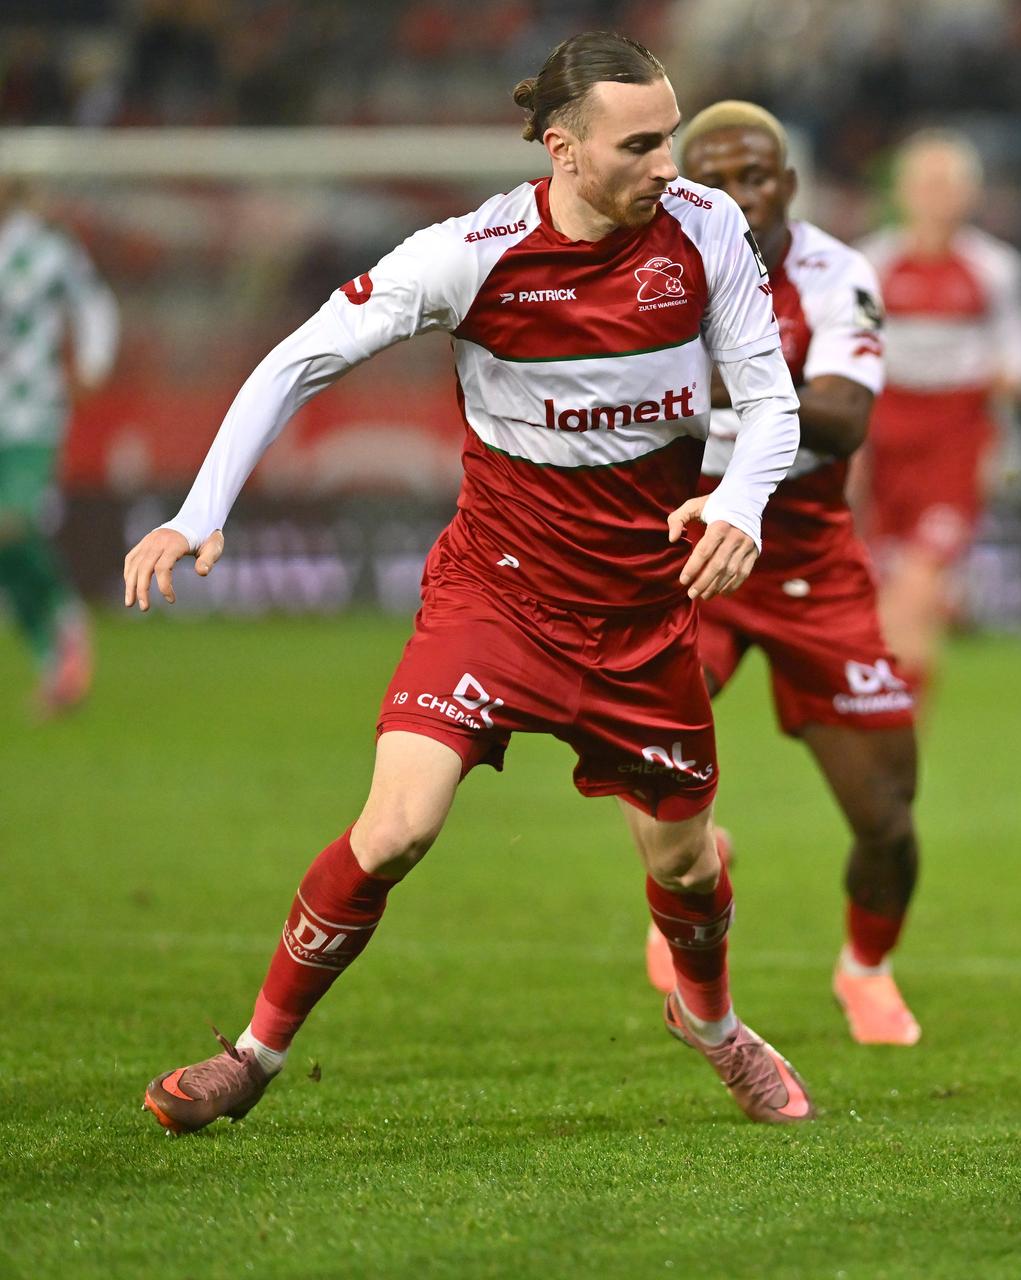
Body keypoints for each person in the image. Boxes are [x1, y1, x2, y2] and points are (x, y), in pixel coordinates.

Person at [129, 32, 815, 1131]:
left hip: (643, 615)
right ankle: (254, 1055)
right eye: (640, 143)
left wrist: (737, 503)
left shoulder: (706, 229)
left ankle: (715, 1026)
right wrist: (200, 507)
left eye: (671, 134)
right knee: (397, 825)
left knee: (687, 868)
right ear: (564, 148)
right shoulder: (472, 252)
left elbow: (771, 399)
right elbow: (298, 355)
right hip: (496, 600)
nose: (669, 162)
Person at [643, 100, 923, 1045]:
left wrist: (709, 382)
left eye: (755, 175)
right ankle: (688, 879)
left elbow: (844, 418)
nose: (737, 194)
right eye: (712, 178)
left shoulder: (836, 272)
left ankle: (866, 969)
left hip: (807, 557)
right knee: (643, 754)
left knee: (887, 816)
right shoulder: (644, 268)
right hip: (688, 548)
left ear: (788, 185)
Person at [857, 130, 1021, 698]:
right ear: (903, 191)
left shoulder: (993, 268)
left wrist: (983, 383)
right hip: (882, 444)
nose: (937, 196)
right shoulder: (870, 264)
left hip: (953, 446)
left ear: (971, 195)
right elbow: (844, 363)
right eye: (926, 183)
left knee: (916, 585)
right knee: (890, 600)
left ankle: (893, 726)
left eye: (949, 185)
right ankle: (891, 729)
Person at [0, 180, 118, 718]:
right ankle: (55, 656)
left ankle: (65, 623)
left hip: (31, 414)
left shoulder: (45, 249)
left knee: (13, 522)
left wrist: (93, 361)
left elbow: (94, 302)